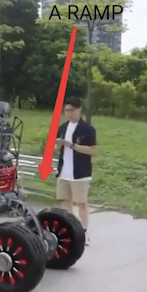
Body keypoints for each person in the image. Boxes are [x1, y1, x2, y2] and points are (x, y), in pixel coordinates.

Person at [56, 96, 97, 245]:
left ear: (79, 110)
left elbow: (92, 150)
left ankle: (84, 231)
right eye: (66, 111)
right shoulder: (62, 128)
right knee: (65, 201)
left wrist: (72, 145)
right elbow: (57, 148)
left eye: (71, 110)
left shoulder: (87, 129)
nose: (69, 113)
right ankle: (69, 229)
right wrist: (58, 145)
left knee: (81, 202)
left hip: (80, 172)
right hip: (64, 171)